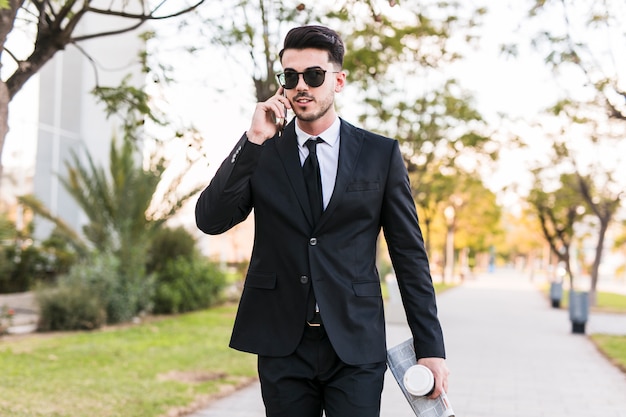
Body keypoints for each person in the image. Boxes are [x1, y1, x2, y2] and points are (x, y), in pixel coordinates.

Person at [195, 25, 448, 417]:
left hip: (355, 344)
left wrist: (430, 348)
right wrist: (252, 138)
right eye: (290, 77)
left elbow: (409, 256)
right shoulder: (263, 151)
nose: (301, 86)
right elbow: (210, 220)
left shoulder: (379, 155)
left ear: (338, 80)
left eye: (314, 75)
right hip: (283, 344)